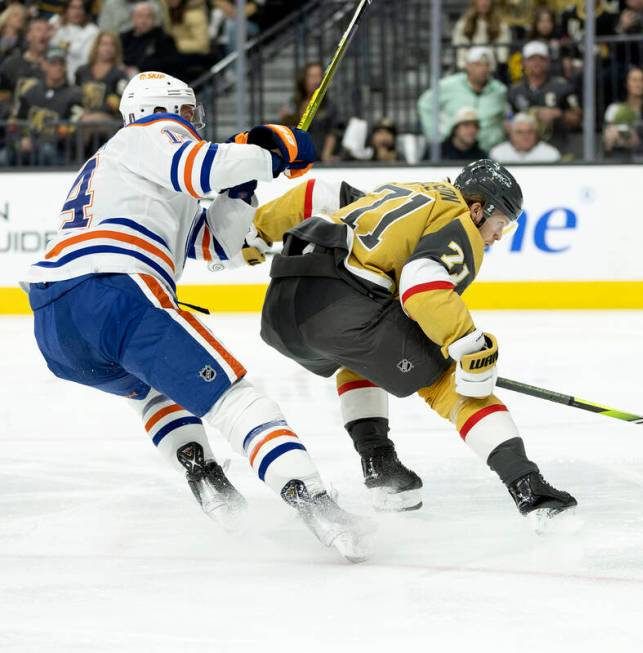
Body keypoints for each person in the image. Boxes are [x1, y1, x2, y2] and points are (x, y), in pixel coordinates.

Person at [20, 71, 374, 562]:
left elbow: (213, 245)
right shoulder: (151, 132)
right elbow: (201, 166)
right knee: (235, 400)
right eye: (191, 113)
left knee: (153, 390)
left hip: (56, 322)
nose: (194, 123)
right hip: (113, 290)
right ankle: (313, 503)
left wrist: (241, 189)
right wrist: (271, 150)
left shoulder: (122, 168)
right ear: (170, 109)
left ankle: (203, 473)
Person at [254, 159, 578, 526]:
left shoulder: (410, 191)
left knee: (365, 355)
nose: (499, 235)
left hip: (285, 308)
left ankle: (382, 468)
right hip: (339, 309)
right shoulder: (460, 222)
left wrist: (258, 232)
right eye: (500, 222)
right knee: (448, 381)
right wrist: (469, 347)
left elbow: (320, 194)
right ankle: (530, 490)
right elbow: (423, 284)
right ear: (477, 209)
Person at [417, 46, 508, 155]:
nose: (483, 69)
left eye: (487, 65)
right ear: (467, 66)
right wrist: (435, 135)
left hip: (488, 152)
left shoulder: (499, 90)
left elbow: (504, 117)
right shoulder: (449, 85)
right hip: (453, 150)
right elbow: (425, 104)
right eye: (478, 64)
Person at [3, 46, 81, 166]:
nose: (58, 67)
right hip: (25, 146)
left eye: (61, 64)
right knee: (3, 156)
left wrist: (36, 143)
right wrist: (20, 141)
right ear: (44, 65)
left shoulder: (74, 95)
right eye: (53, 63)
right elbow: (16, 121)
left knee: (46, 151)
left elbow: (71, 129)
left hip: (56, 150)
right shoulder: (31, 91)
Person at [507, 40, 581, 152]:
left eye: (541, 59)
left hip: (557, 146)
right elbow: (507, 121)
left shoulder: (562, 86)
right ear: (524, 62)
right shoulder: (515, 90)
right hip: (522, 151)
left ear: (548, 62)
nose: (537, 63)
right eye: (532, 59)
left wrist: (558, 114)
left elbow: (577, 119)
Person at [279, 61, 345, 162]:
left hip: (320, 158)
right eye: (311, 76)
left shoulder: (329, 106)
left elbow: (333, 132)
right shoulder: (294, 104)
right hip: (298, 157)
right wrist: (285, 119)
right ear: (304, 80)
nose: (315, 80)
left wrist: (326, 154)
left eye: (318, 76)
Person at [451, 0, 510, 73]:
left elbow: (502, 55)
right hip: (469, 71)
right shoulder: (463, 24)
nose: (484, 3)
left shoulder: (501, 25)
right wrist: (468, 68)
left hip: (492, 70)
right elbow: (461, 54)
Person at [120, 1, 178, 76]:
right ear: (133, 17)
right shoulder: (124, 37)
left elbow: (168, 65)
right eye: (140, 16)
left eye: (148, 16)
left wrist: (138, 69)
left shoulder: (164, 39)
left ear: (154, 19)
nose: (144, 20)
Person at [50, 0, 98, 83]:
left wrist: (58, 41)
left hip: (77, 78)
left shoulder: (92, 31)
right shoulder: (55, 21)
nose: (77, 12)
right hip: (53, 76)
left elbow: (78, 52)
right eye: (73, 8)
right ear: (66, 10)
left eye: (80, 8)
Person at [488, 111, 560, 162]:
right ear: (511, 134)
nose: (525, 136)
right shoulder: (498, 154)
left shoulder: (550, 154)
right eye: (520, 132)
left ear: (536, 134)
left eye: (530, 132)